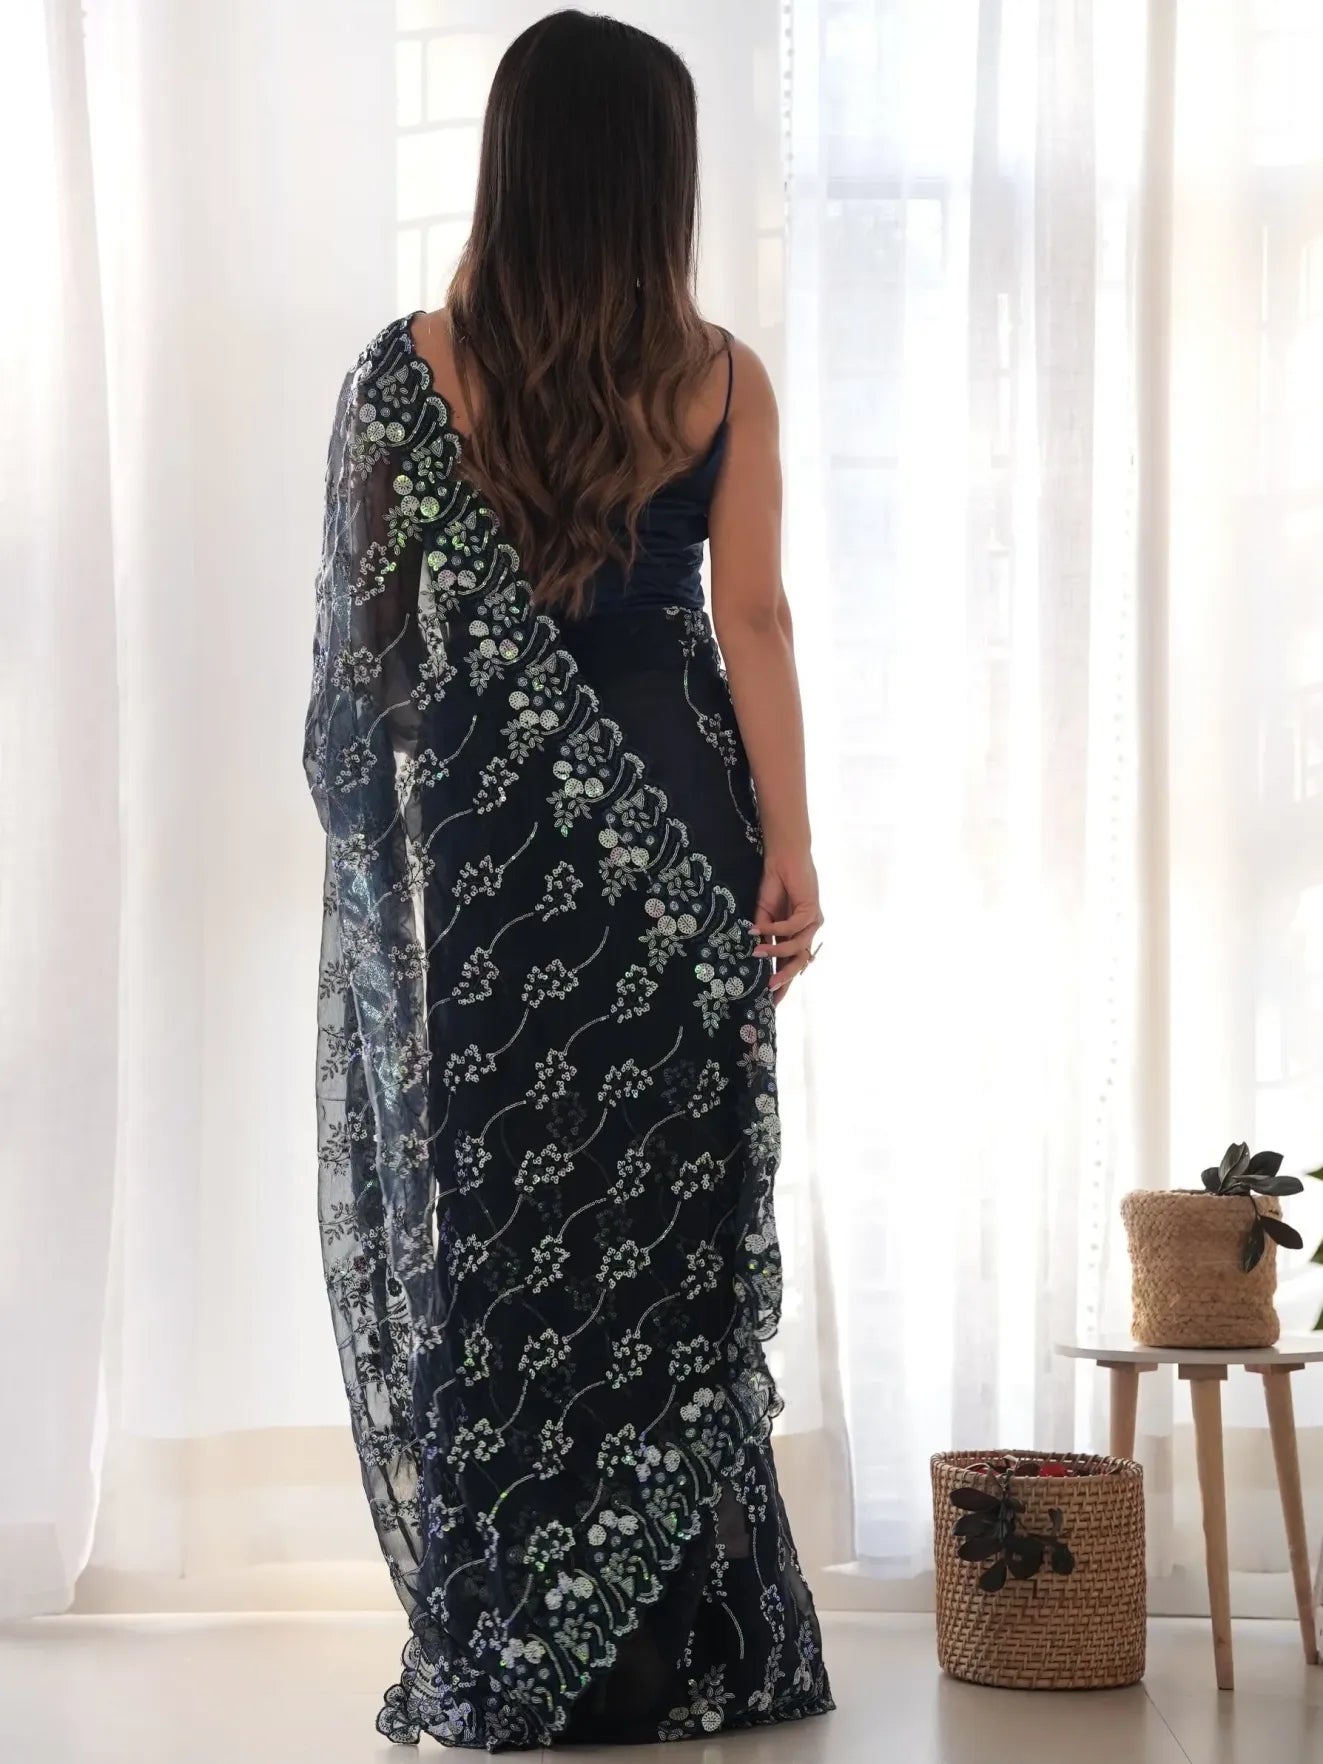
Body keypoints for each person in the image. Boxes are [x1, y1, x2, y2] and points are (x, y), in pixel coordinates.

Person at [302, 9, 831, 1750]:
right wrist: (795, 851)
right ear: (655, 178)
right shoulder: (719, 375)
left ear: (513, 162)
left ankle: (526, 1642)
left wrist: (467, 758)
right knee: (663, 1242)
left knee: (517, 1241)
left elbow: (365, 671)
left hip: (502, 868)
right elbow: (745, 623)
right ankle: (679, 1655)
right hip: (681, 836)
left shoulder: (407, 372)